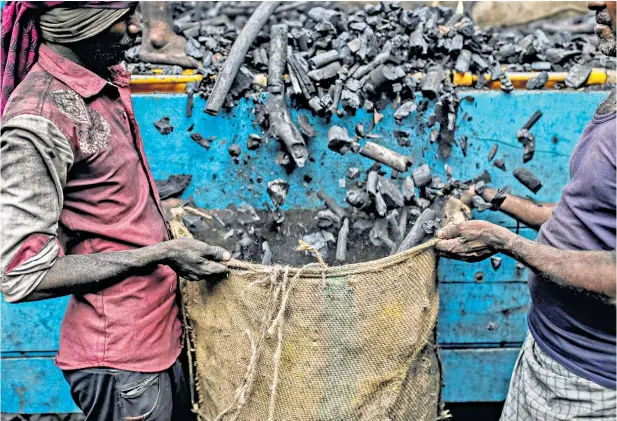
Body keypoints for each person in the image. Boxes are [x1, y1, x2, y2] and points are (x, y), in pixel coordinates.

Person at [0, 3, 230, 420]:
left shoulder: (100, 79)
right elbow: (21, 277)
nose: (136, 28)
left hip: (159, 339)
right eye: (122, 18)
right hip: (123, 364)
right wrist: (159, 253)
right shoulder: (38, 121)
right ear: (79, 28)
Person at [436, 1, 616, 419]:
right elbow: (591, 215)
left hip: (589, 384)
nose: (593, 2)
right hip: (549, 352)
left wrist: (507, 242)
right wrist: (504, 202)